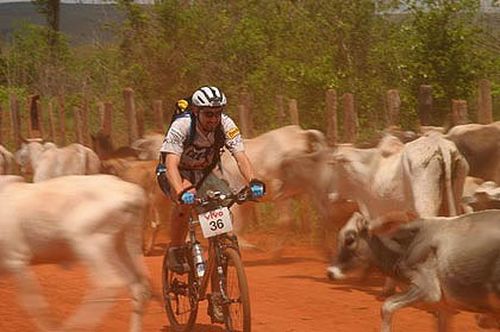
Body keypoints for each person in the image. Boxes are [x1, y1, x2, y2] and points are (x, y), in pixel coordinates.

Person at [156, 85, 265, 272]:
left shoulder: (226, 125)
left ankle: (220, 257)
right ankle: (176, 248)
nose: (213, 119)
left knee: (223, 202)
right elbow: (171, 164)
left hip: (204, 173)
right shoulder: (182, 125)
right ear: (196, 111)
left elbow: (240, 156)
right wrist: (180, 190)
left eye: (217, 113)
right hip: (174, 173)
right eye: (208, 114)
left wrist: (253, 180)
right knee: (187, 198)